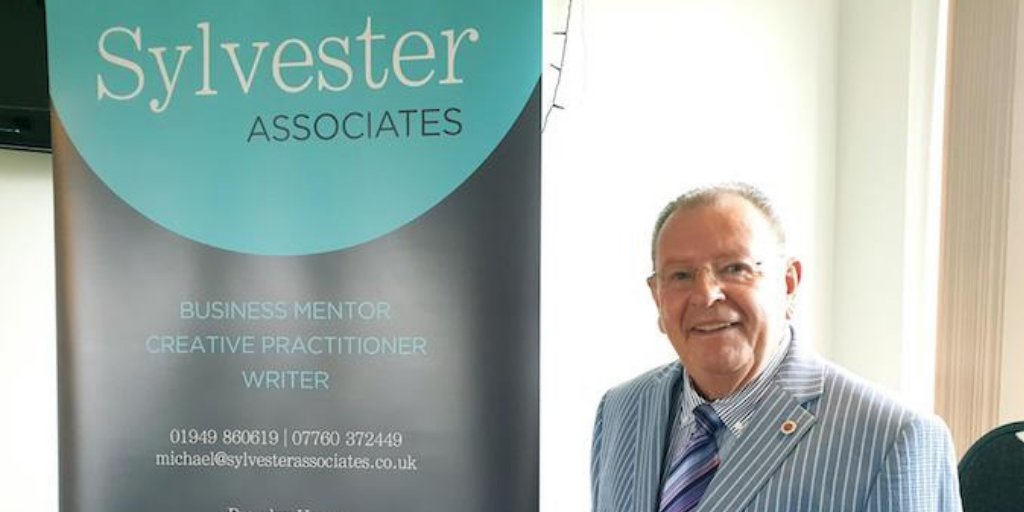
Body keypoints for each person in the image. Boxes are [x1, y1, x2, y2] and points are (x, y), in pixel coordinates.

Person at [590, 183, 962, 512]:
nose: (705, 295)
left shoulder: (894, 437)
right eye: (681, 275)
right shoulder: (621, 410)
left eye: (734, 268)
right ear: (657, 297)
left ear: (789, 283)